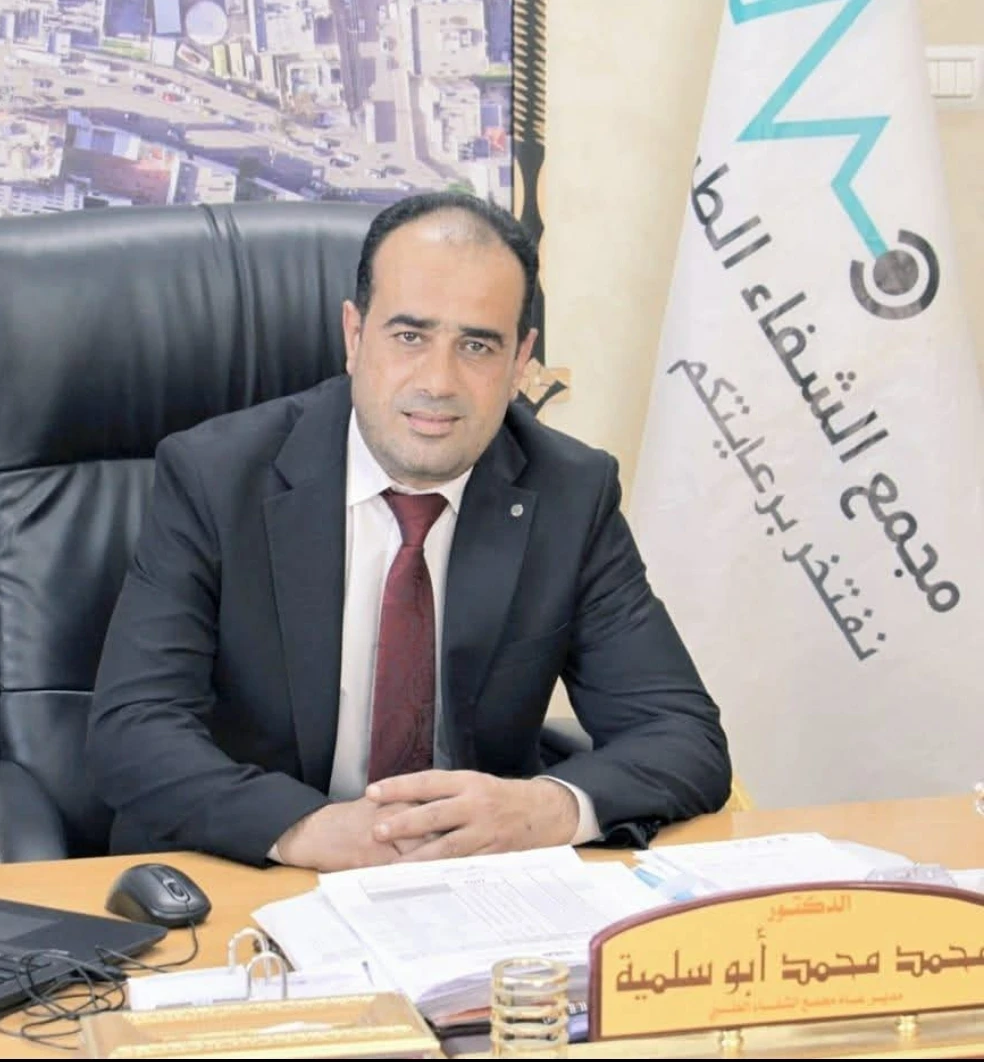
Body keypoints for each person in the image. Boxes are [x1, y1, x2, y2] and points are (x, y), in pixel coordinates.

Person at [86, 192, 731, 871]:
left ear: (520, 361)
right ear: (354, 335)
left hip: (471, 887)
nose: (439, 381)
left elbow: (682, 735)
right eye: (409, 336)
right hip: (256, 874)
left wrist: (541, 809)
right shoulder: (216, 477)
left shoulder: (570, 493)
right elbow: (133, 731)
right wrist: (307, 830)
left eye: (477, 346)